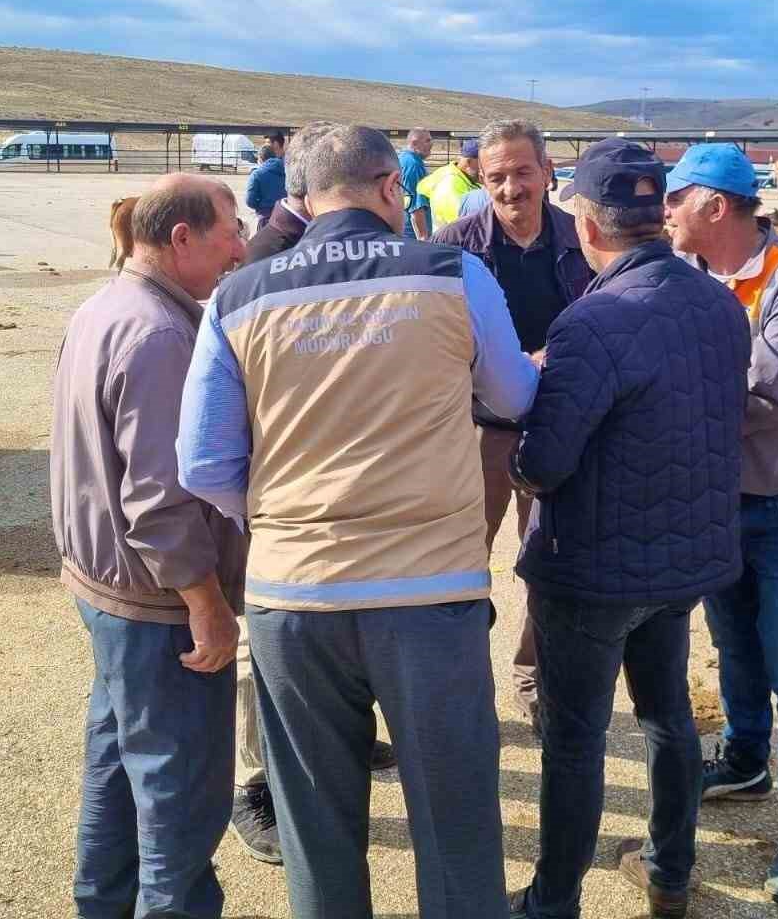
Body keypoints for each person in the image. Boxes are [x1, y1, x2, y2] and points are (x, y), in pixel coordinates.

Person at [177, 124, 538, 919]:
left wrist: (278, 517)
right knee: (455, 823)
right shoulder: (451, 272)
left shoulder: (239, 296)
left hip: (294, 594)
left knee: (317, 828)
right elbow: (513, 398)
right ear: (388, 189)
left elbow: (201, 463)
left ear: (303, 200)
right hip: (428, 590)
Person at [507, 138, 750, 919]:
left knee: (574, 742)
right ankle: (670, 871)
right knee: (667, 716)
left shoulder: (594, 322)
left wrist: (520, 423)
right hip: (681, 561)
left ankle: (554, 899)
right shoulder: (718, 302)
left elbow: (543, 463)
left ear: (586, 222)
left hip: (592, 570)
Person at [50, 173, 250, 918]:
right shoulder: (163, 335)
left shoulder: (104, 307)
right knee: (181, 800)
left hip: (105, 589)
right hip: (156, 605)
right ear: (181, 238)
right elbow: (159, 497)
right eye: (229, 228)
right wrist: (205, 602)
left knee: (117, 767)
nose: (239, 245)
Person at [664, 141, 778, 908]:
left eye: (674, 197)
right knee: (735, 641)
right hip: (720, 494)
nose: (663, 211)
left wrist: (663, 403)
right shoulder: (693, 274)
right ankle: (745, 757)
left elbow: (773, 398)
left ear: (714, 205)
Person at [231, 120, 395, 866]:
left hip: (334, 497)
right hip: (286, 502)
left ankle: (344, 739)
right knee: (270, 663)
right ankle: (262, 790)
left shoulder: (307, 247)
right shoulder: (268, 258)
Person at [432, 119, 592, 736]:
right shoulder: (454, 245)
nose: (510, 188)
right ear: (480, 176)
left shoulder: (583, 239)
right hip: (476, 429)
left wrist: (555, 361)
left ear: (547, 171)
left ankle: (532, 676)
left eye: (523, 173)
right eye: (496, 176)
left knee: (548, 558)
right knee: (459, 559)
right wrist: (493, 363)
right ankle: (458, 683)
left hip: (557, 426)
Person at [244, 124, 332, 267]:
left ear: (276, 144)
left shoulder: (292, 163)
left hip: (278, 217)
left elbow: (250, 200)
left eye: (268, 143)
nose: (267, 146)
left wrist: (261, 207)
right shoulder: (289, 164)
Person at [416, 138, 482, 229]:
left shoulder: (465, 177)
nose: (486, 168)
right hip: (450, 241)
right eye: (482, 163)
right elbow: (462, 224)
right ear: (469, 161)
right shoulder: (450, 184)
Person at [399, 127, 434, 238]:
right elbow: (416, 207)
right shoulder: (414, 165)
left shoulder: (402, 159)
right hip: (413, 236)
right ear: (414, 143)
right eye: (427, 141)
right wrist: (423, 238)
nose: (431, 144)